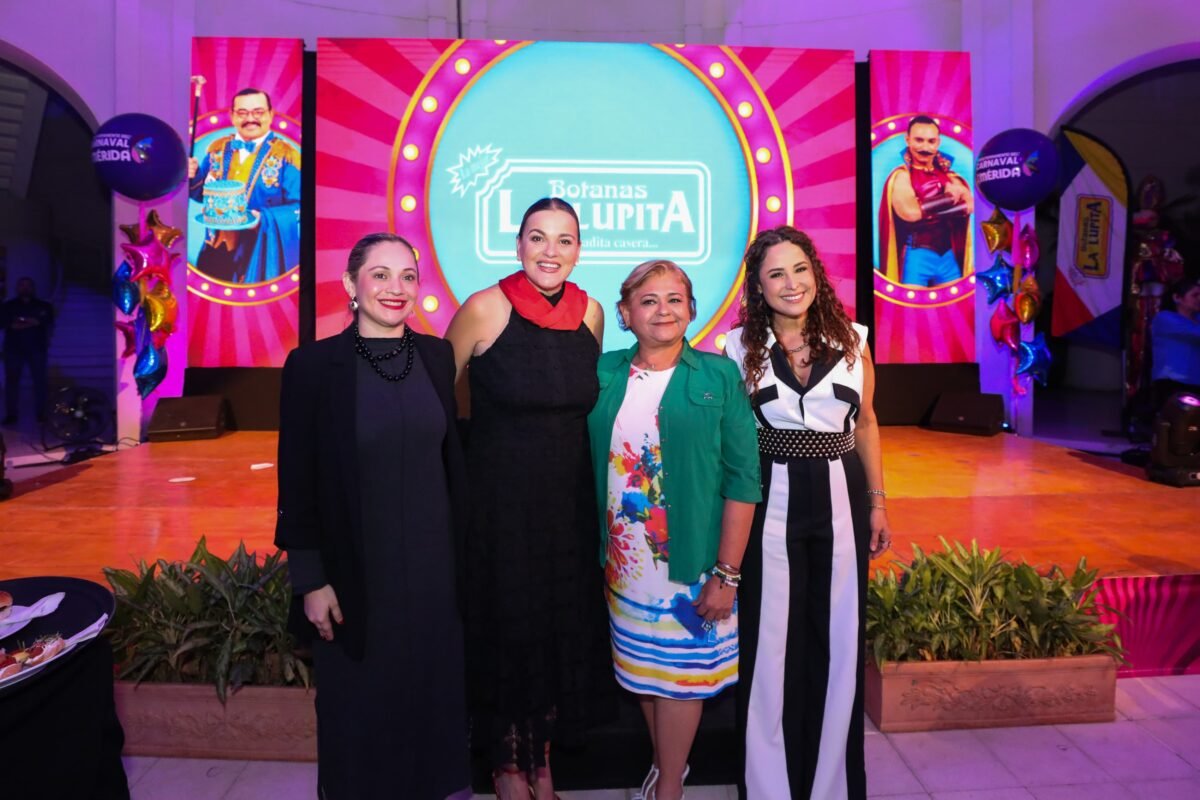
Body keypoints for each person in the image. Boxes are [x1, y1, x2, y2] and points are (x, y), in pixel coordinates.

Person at [274, 232, 469, 800]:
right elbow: (298, 478)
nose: (395, 288)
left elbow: (449, 461)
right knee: (360, 704)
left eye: (407, 276)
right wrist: (310, 578)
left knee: (434, 698)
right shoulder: (313, 367)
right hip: (357, 569)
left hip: (436, 571)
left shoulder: (436, 357)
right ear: (351, 285)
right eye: (380, 275)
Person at [445, 197, 611, 800]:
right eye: (537, 238)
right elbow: (439, 405)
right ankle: (505, 761)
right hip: (499, 505)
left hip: (567, 503)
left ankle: (541, 757)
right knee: (507, 626)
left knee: (556, 626)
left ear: (578, 249)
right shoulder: (483, 308)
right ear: (517, 246)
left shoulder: (591, 312)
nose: (550, 251)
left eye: (563, 240)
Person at [725, 226, 893, 800]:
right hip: (768, 502)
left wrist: (877, 501)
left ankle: (832, 786)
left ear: (816, 273)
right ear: (759, 286)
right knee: (769, 645)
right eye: (776, 273)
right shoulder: (736, 350)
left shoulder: (853, 340)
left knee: (838, 641)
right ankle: (769, 788)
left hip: (842, 500)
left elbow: (866, 422)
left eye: (799, 269)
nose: (791, 283)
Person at [587, 260, 761, 800]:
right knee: (643, 673)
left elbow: (743, 479)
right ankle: (670, 764)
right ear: (624, 313)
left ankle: (668, 789)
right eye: (648, 300)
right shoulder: (602, 373)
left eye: (674, 299)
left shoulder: (718, 375)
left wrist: (727, 574)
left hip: (694, 564)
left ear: (690, 308)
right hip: (624, 566)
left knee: (681, 679)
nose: (663, 310)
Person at [188, 87, 300, 284]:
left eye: (258, 112)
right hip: (214, 247)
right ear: (232, 116)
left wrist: (263, 219)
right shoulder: (217, 149)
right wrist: (191, 175)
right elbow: (201, 194)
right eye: (242, 113)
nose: (251, 119)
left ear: (270, 114)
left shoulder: (287, 156)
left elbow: (299, 206)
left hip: (260, 250)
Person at [878, 115, 973, 286]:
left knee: (953, 307)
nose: (925, 147)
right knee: (909, 310)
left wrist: (927, 209)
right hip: (917, 255)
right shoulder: (901, 175)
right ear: (907, 140)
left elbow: (969, 206)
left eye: (931, 141)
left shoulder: (949, 175)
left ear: (938, 143)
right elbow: (910, 213)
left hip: (947, 256)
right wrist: (950, 198)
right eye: (919, 140)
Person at [1, 277, 54, 425]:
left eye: (28, 285)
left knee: (40, 382)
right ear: (17, 288)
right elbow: (7, 325)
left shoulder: (44, 306)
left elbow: (45, 322)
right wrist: (32, 322)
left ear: (33, 287)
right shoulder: (8, 306)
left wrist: (21, 322)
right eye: (22, 285)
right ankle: (11, 415)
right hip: (13, 349)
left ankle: (42, 414)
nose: (25, 288)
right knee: (12, 382)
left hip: (37, 348)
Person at [1150, 275, 1200, 410]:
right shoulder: (1165, 318)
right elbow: (1194, 333)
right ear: (1177, 297)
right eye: (1195, 295)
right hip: (1172, 383)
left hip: (1195, 384)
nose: (1199, 299)